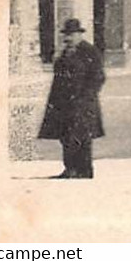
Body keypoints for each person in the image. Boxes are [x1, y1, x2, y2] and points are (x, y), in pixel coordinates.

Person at [38, 18, 105, 178]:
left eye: (72, 34)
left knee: (82, 137)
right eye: (66, 35)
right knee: (66, 136)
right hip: (64, 103)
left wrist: (85, 96)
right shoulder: (64, 53)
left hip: (83, 104)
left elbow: (98, 77)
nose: (68, 38)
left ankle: (84, 170)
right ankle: (70, 168)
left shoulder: (89, 51)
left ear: (79, 35)